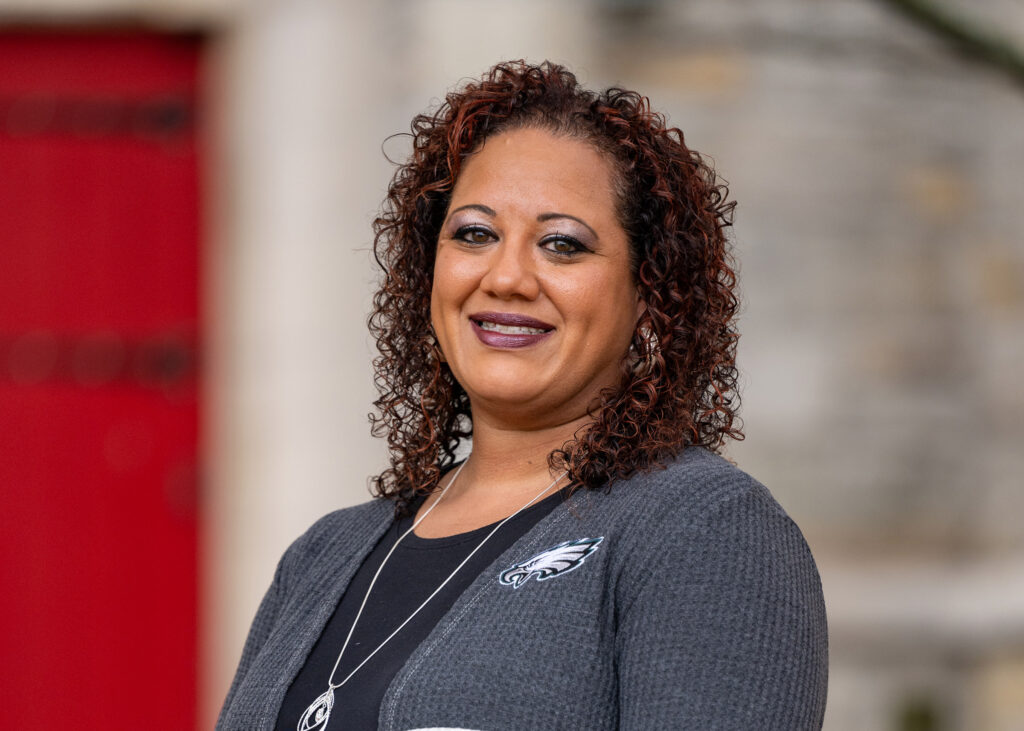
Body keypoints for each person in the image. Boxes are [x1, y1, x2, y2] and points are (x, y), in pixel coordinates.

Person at [217, 60, 828, 731]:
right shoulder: (324, 553)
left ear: (650, 296)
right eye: (474, 233)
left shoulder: (703, 530)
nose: (506, 276)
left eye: (562, 245)